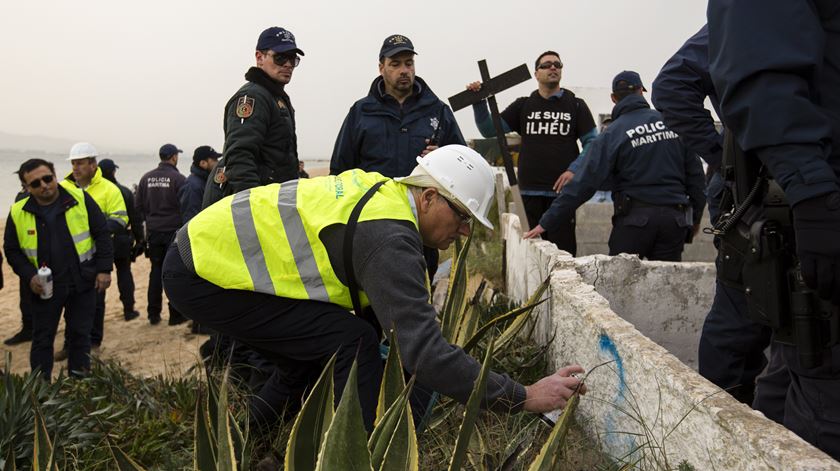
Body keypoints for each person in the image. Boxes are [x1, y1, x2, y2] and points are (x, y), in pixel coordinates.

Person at [163, 145, 586, 431]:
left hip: (203, 254)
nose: (462, 231)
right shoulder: (388, 238)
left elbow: (407, 347)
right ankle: (360, 455)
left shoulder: (388, 196)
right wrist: (523, 396)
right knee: (351, 342)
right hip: (204, 271)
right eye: (460, 216)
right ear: (428, 198)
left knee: (309, 356)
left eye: (469, 224)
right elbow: (423, 353)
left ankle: (249, 445)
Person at [708, 0, 840, 459]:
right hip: (805, 206)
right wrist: (813, 191)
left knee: (788, 370)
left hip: (794, 200)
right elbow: (756, 83)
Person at [651, 25, 785, 415]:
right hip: (757, 203)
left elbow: (672, 89)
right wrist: (729, 160)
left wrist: (725, 162)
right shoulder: (751, 15)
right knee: (745, 328)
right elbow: (672, 89)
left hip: (759, 199)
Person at [524, 71, 706, 262]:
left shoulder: (612, 133)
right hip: (673, 222)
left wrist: (545, 222)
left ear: (613, 98)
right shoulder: (672, 124)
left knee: (619, 285)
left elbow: (583, 183)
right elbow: (697, 179)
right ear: (641, 92)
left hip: (634, 222)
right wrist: (694, 220)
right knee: (666, 286)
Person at [331, 33, 466, 278]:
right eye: (395, 64)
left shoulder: (438, 111)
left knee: (418, 294)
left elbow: (462, 165)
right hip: (371, 225)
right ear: (381, 67)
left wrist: (443, 157)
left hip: (422, 229)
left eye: (408, 63)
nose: (404, 70)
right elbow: (339, 172)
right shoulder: (361, 112)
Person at [466, 51, 597, 255]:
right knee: (532, 254)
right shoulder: (524, 105)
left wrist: (575, 170)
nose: (553, 67)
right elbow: (489, 129)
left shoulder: (576, 105)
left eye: (557, 64)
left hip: (562, 197)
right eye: (546, 65)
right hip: (528, 194)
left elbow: (592, 143)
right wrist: (478, 101)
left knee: (563, 255)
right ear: (536, 73)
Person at [4, 159, 112, 379]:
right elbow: (12, 251)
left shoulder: (80, 198)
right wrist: (29, 276)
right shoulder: (18, 212)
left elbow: (102, 233)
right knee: (43, 338)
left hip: (82, 281)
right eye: (35, 183)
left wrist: (104, 269)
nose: (44, 185)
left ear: (55, 175)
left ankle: (79, 384)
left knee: (80, 335)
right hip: (45, 288)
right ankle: (41, 388)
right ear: (27, 188)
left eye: (47, 178)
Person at [203, 26, 303, 208]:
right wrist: (257, 208)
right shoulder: (253, 98)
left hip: (273, 200)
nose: (288, 64)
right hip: (253, 206)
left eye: (292, 59)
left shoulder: (275, 98)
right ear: (259, 57)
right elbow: (240, 157)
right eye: (280, 57)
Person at [63, 143, 130, 353]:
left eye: (80, 163)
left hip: (96, 254)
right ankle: (69, 344)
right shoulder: (64, 188)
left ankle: (94, 342)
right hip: (69, 256)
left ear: (93, 164)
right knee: (70, 303)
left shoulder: (109, 189)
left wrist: (97, 230)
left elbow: (121, 219)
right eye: (73, 163)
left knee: (95, 301)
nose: (76, 167)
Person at [136, 143, 186, 326]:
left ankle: (153, 314)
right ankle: (176, 314)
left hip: (154, 232)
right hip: (173, 232)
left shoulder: (146, 178)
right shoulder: (179, 179)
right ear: (173, 157)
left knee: (155, 271)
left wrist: (146, 227)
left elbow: (138, 207)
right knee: (174, 273)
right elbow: (184, 205)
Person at [99, 158, 143, 321]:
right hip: (122, 238)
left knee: (100, 274)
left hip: (102, 241)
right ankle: (129, 310)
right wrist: (140, 239)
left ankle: (98, 313)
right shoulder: (124, 191)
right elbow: (135, 217)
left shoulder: (95, 193)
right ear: (113, 172)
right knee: (124, 272)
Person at [4, 188, 30, 346]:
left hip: (34, 262)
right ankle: (28, 330)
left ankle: (29, 329)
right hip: (26, 261)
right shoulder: (18, 209)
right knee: (27, 301)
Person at [180, 146, 220, 224]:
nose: (217, 162)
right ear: (203, 163)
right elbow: (190, 219)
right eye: (214, 160)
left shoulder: (206, 181)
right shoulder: (193, 186)